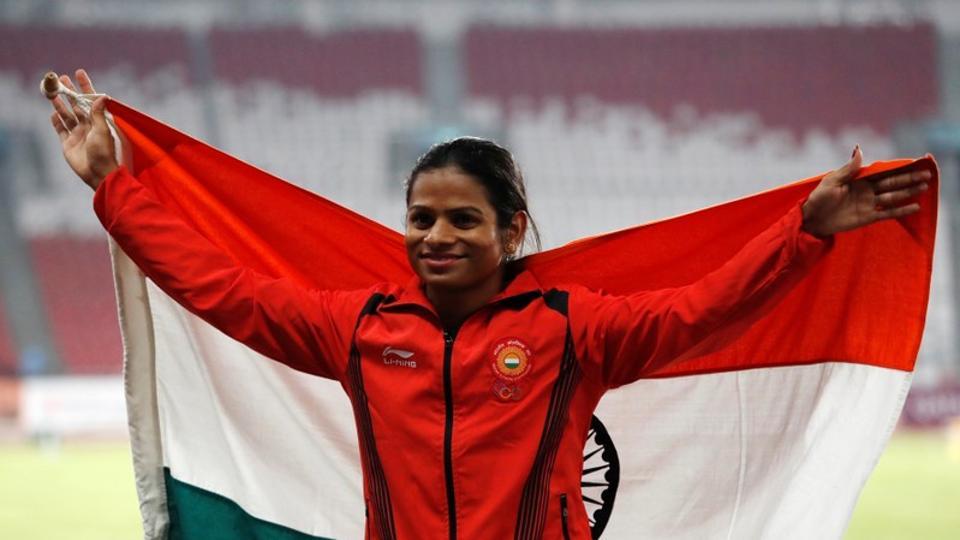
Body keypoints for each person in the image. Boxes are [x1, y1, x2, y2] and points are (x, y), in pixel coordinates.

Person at [49, 69, 929, 540]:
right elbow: (220, 288)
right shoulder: (359, 330)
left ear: (510, 229)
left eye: (462, 219)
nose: (437, 236)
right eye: (421, 218)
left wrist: (804, 232)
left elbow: (704, 310)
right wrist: (112, 188)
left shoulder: (572, 328)